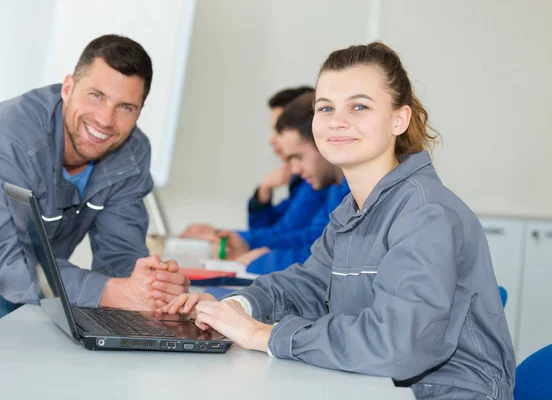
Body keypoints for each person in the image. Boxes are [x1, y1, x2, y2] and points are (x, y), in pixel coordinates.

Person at [161, 42, 515, 399]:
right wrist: (237, 307)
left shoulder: (426, 213)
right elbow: (309, 284)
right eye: (325, 107)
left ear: (399, 119)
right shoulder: (354, 210)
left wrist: (260, 335)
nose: (337, 121)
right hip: (377, 387)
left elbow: (396, 346)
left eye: (359, 106)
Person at [0, 34, 189, 333]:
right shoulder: (11, 137)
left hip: (13, 254)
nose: (105, 119)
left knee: (11, 353)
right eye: (97, 95)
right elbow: (11, 263)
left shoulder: (132, 153)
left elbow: (120, 253)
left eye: (125, 107)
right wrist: (112, 292)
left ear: (139, 112)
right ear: (68, 88)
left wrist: (149, 288)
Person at [216, 92, 348, 269]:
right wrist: (248, 244)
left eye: (298, 157)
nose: (294, 169)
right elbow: (313, 237)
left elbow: (334, 258)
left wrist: (264, 259)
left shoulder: (354, 188)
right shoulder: (336, 186)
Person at [180, 86, 328, 244]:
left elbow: (289, 234)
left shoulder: (319, 181)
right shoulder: (303, 180)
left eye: (279, 131)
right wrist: (263, 192)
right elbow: (270, 228)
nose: (271, 140)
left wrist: (224, 237)